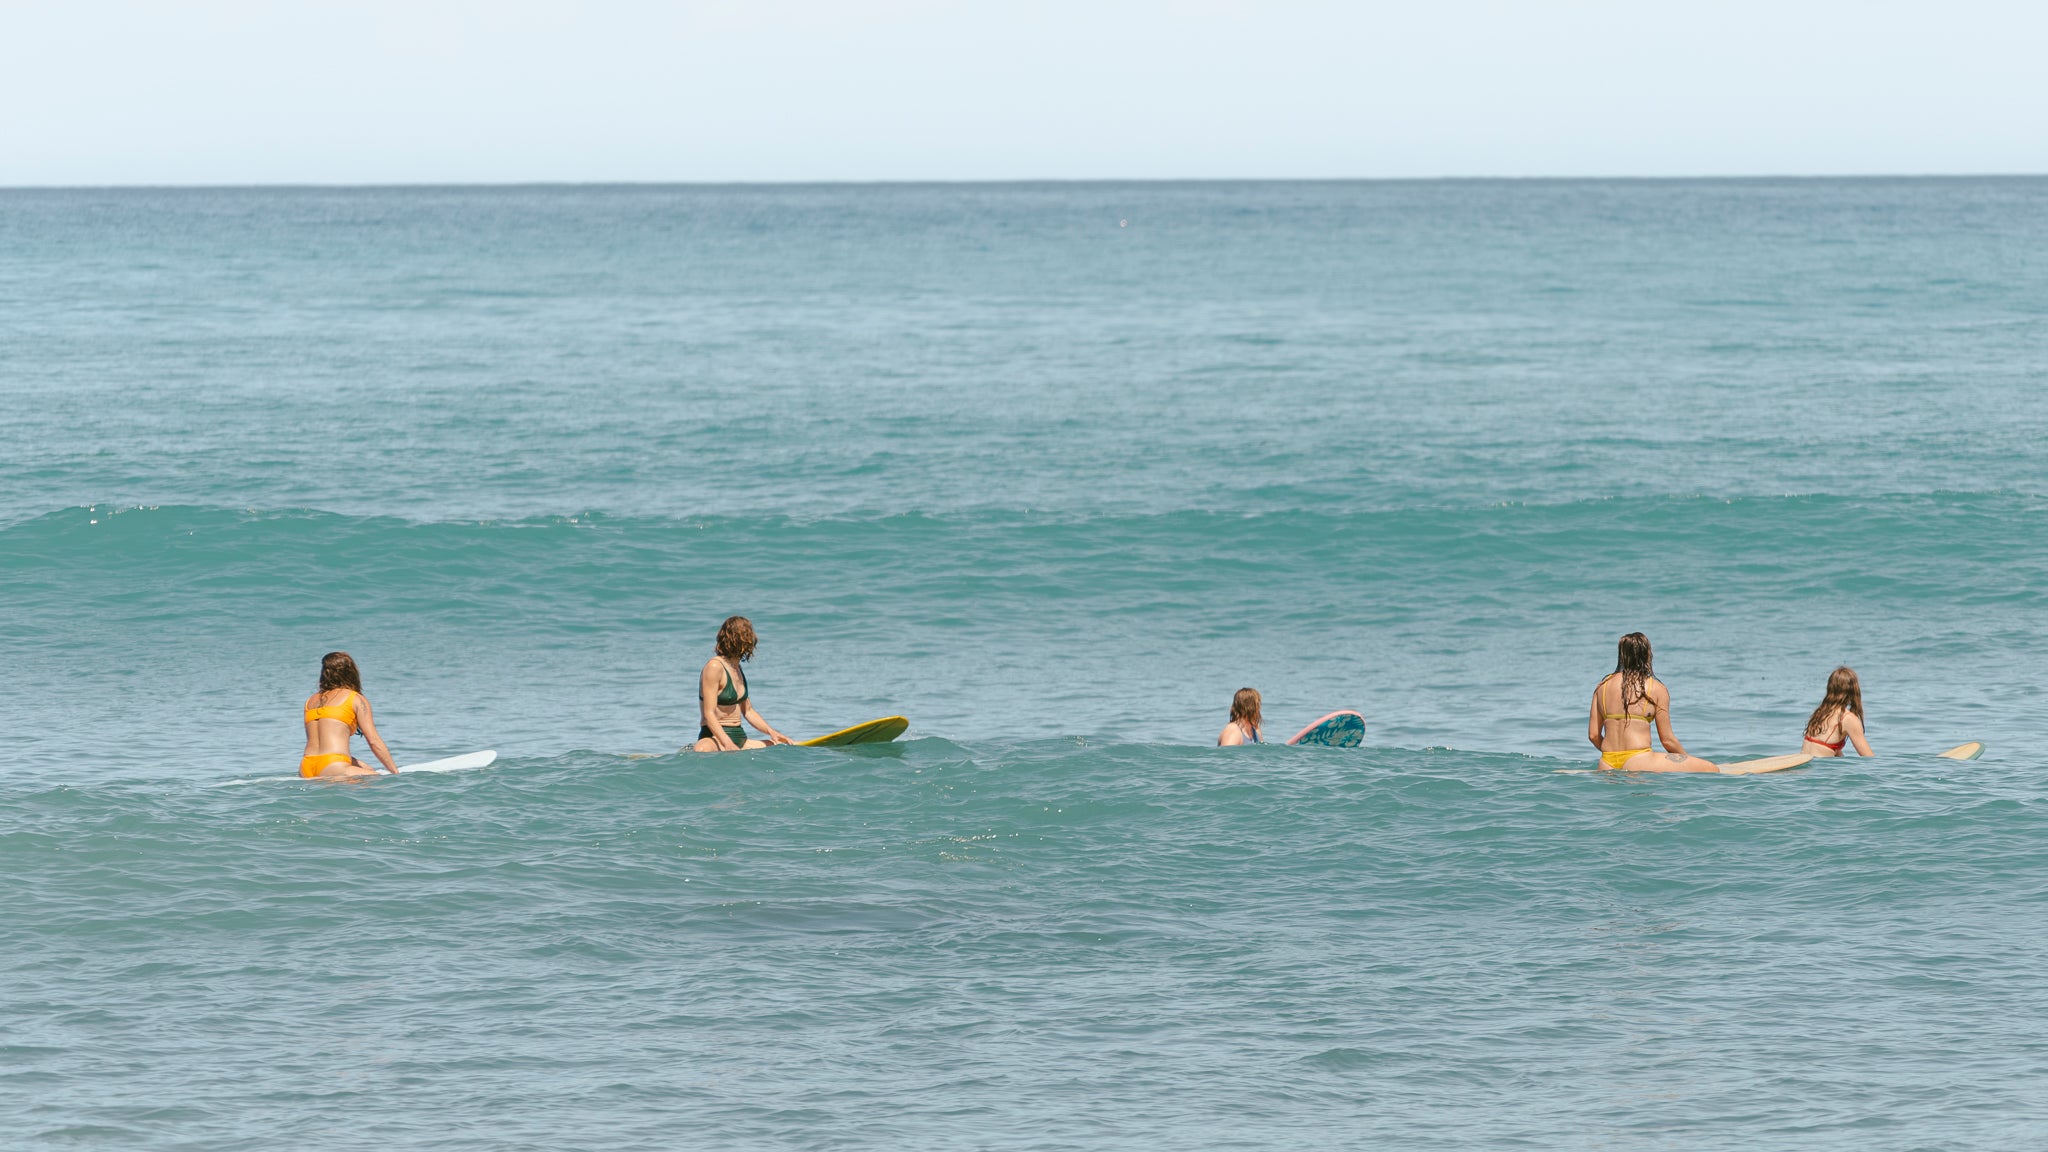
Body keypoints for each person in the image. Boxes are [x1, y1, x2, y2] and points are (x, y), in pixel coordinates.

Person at [1588, 632, 1716, 772]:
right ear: (1647, 654)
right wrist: (1687, 762)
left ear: (1621, 655)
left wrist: (1617, 754)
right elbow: (1667, 740)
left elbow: (1593, 735)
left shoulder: (1602, 687)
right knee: (1711, 769)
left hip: (1607, 762)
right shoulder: (1656, 688)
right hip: (1639, 760)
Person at [692, 616, 795, 751]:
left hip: (739, 738)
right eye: (748, 636)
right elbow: (709, 713)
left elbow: (748, 711)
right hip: (715, 738)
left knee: (785, 746)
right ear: (738, 639)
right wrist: (727, 743)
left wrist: (771, 732)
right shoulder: (714, 667)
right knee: (701, 749)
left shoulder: (737, 668)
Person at [300, 651, 399, 779]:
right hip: (333, 765)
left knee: (367, 769)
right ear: (351, 673)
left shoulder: (310, 701)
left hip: (306, 766)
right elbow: (374, 741)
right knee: (378, 779)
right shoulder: (355, 698)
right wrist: (395, 773)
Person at [1800, 666, 1873, 757]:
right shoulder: (1848, 718)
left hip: (1806, 767)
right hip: (1821, 769)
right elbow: (1868, 758)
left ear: (1830, 688)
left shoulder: (1820, 713)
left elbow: (1828, 749)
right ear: (1854, 690)